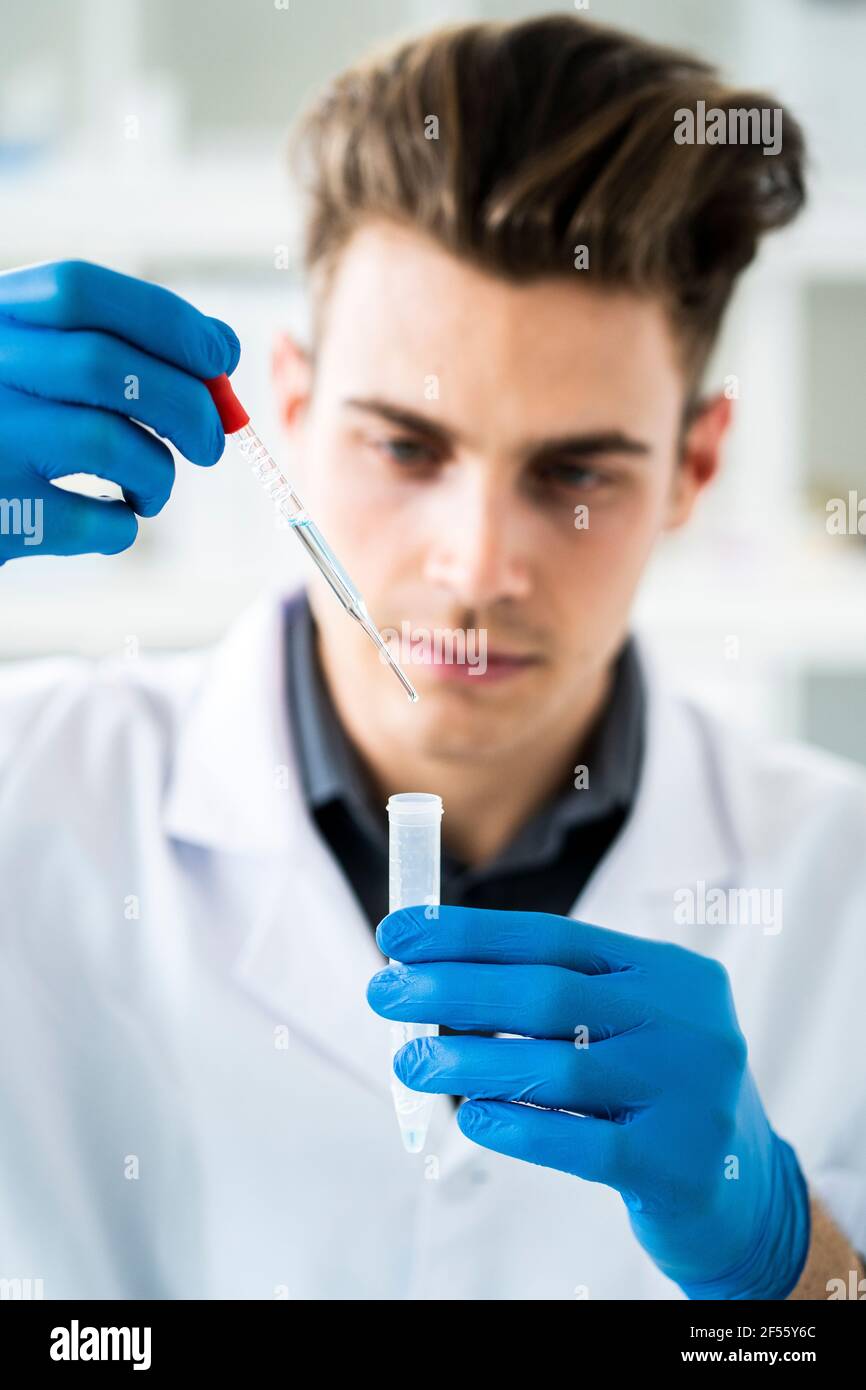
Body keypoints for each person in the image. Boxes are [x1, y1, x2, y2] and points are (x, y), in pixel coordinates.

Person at [0, 13, 864, 1301]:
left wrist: (797, 1272)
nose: (475, 564)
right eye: (407, 447)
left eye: (573, 472)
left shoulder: (841, 881)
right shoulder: (33, 783)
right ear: (287, 406)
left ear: (695, 464)